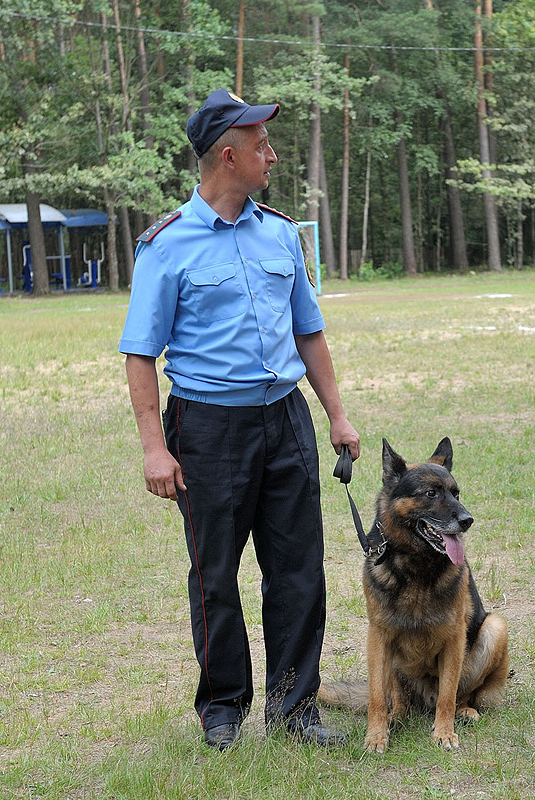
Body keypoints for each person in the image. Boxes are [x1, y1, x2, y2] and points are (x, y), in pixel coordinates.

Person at [119, 89, 360, 750]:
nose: (271, 155)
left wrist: (335, 415)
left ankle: (293, 709)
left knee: (298, 572)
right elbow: (141, 353)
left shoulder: (281, 233)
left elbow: (308, 333)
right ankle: (222, 708)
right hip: (207, 430)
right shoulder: (166, 246)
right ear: (228, 154)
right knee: (215, 574)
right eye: (261, 145)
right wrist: (153, 449)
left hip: (284, 420)